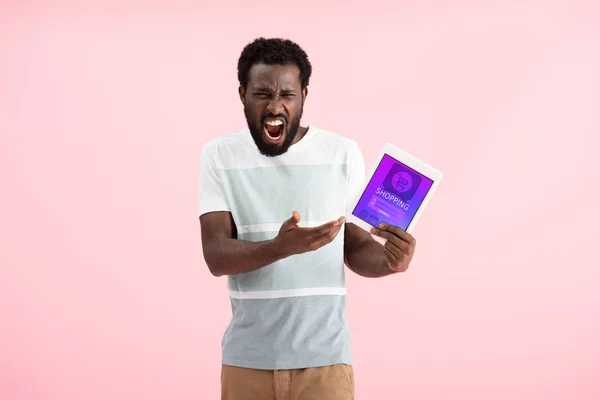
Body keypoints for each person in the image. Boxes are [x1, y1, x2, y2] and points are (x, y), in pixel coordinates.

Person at [198, 37, 417, 400]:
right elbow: (215, 255)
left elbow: (357, 247)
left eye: (287, 94)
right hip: (246, 361)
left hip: (326, 362)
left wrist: (389, 261)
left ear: (303, 95)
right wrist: (280, 247)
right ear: (242, 94)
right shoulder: (219, 155)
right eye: (262, 94)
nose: (275, 105)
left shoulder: (341, 154)